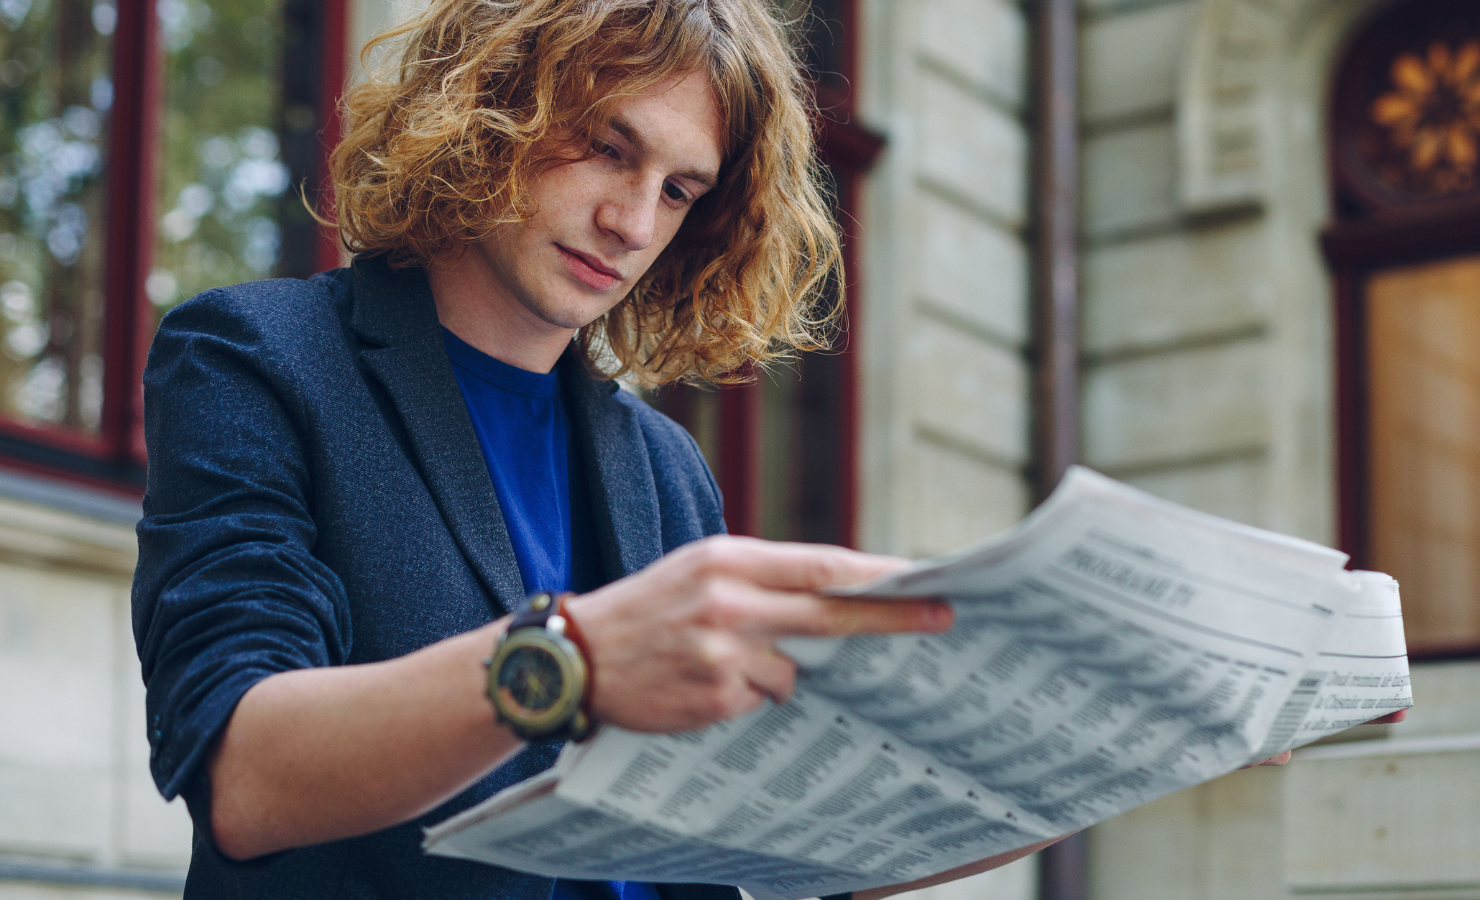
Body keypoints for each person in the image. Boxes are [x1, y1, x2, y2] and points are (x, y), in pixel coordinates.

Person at [131, 1, 1046, 897]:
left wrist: (1025, 794)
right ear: (488, 103)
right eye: (609, 148)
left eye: (680, 190)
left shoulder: (667, 468)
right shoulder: (257, 358)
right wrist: (574, 657)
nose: (635, 223)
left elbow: (748, 837)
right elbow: (243, 778)